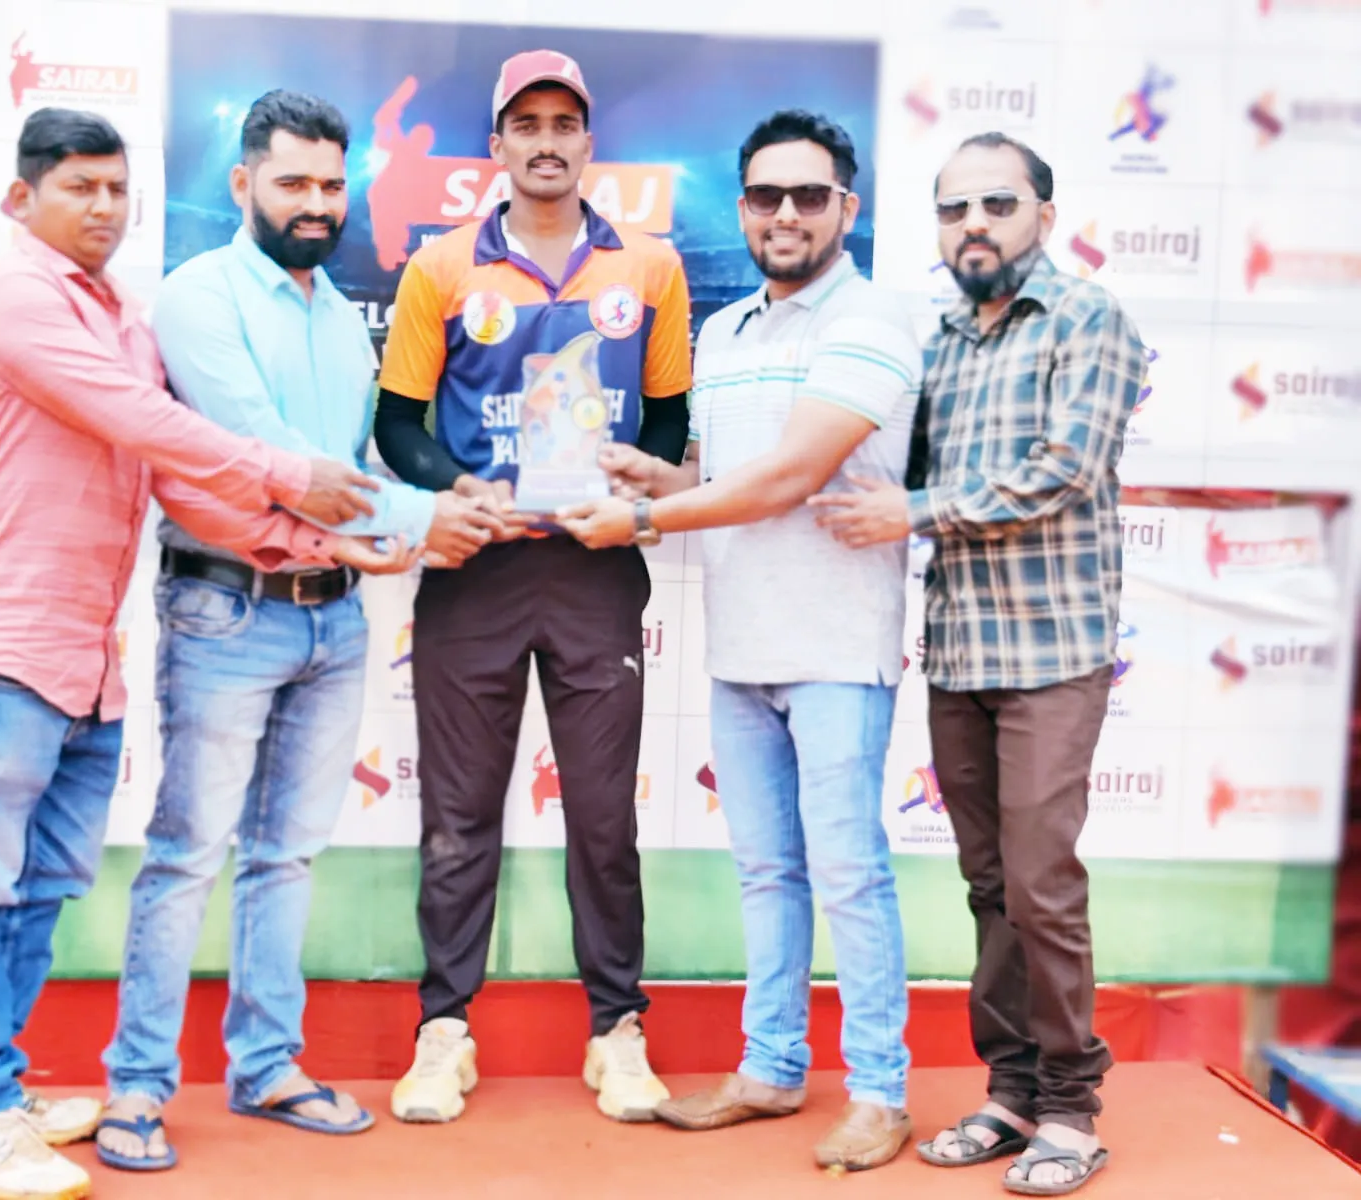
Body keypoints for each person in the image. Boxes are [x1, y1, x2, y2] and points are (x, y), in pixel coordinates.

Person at [0, 106, 412, 1200]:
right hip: (0, 630)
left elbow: (178, 474)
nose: (103, 207)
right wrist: (294, 480)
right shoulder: (15, 299)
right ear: (20, 198)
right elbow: (146, 423)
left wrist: (328, 540)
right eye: (76, 187)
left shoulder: (124, 319)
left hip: (87, 646)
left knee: (40, 881)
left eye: (116, 189)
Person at [95, 89, 501, 1171]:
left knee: (285, 858)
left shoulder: (336, 316)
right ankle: (136, 1086)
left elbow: (348, 472)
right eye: (292, 183)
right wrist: (423, 520)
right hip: (225, 609)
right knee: (188, 855)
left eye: (331, 184)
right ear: (243, 183)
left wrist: (422, 517)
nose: (316, 203)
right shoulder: (198, 296)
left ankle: (267, 1065)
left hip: (335, 618)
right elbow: (276, 458)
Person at [558, 110, 921, 1171]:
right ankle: (770, 1068)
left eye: (809, 195)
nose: (785, 214)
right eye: (766, 195)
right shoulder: (722, 334)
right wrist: (651, 475)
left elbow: (788, 478)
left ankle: (881, 1090)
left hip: (837, 648)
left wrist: (643, 516)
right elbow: (722, 479)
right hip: (740, 647)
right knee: (767, 873)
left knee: (848, 874)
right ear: (744, 207)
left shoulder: (870, 320)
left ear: (847, 208)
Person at [815, 131, 1146, 1195]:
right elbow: (874, 458)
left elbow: (1062, 470)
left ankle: (1072, 1108)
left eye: (996, 204)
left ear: (1043, 214)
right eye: (954, 208)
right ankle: (1010, 1093)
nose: (973, 224)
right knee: (991, 886)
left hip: (1052, 651)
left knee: (1041, 884)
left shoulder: (1087, 317)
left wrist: (913, 511)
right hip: (959, 652)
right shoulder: (943, 342)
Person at [371, 48, 694, 1124]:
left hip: (594, 569)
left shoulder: (649, 267)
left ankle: (617, 1031)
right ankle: (443, 1031)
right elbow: (398, 425)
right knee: (457, 816)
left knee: (602, 817)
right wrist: (452, 487)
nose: (547, 141)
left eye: (565, 124)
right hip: (476, 570)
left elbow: (669, 419)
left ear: (588, 143)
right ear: (498, 144)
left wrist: (637, 481)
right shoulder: (439, 267)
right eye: (527, 123)